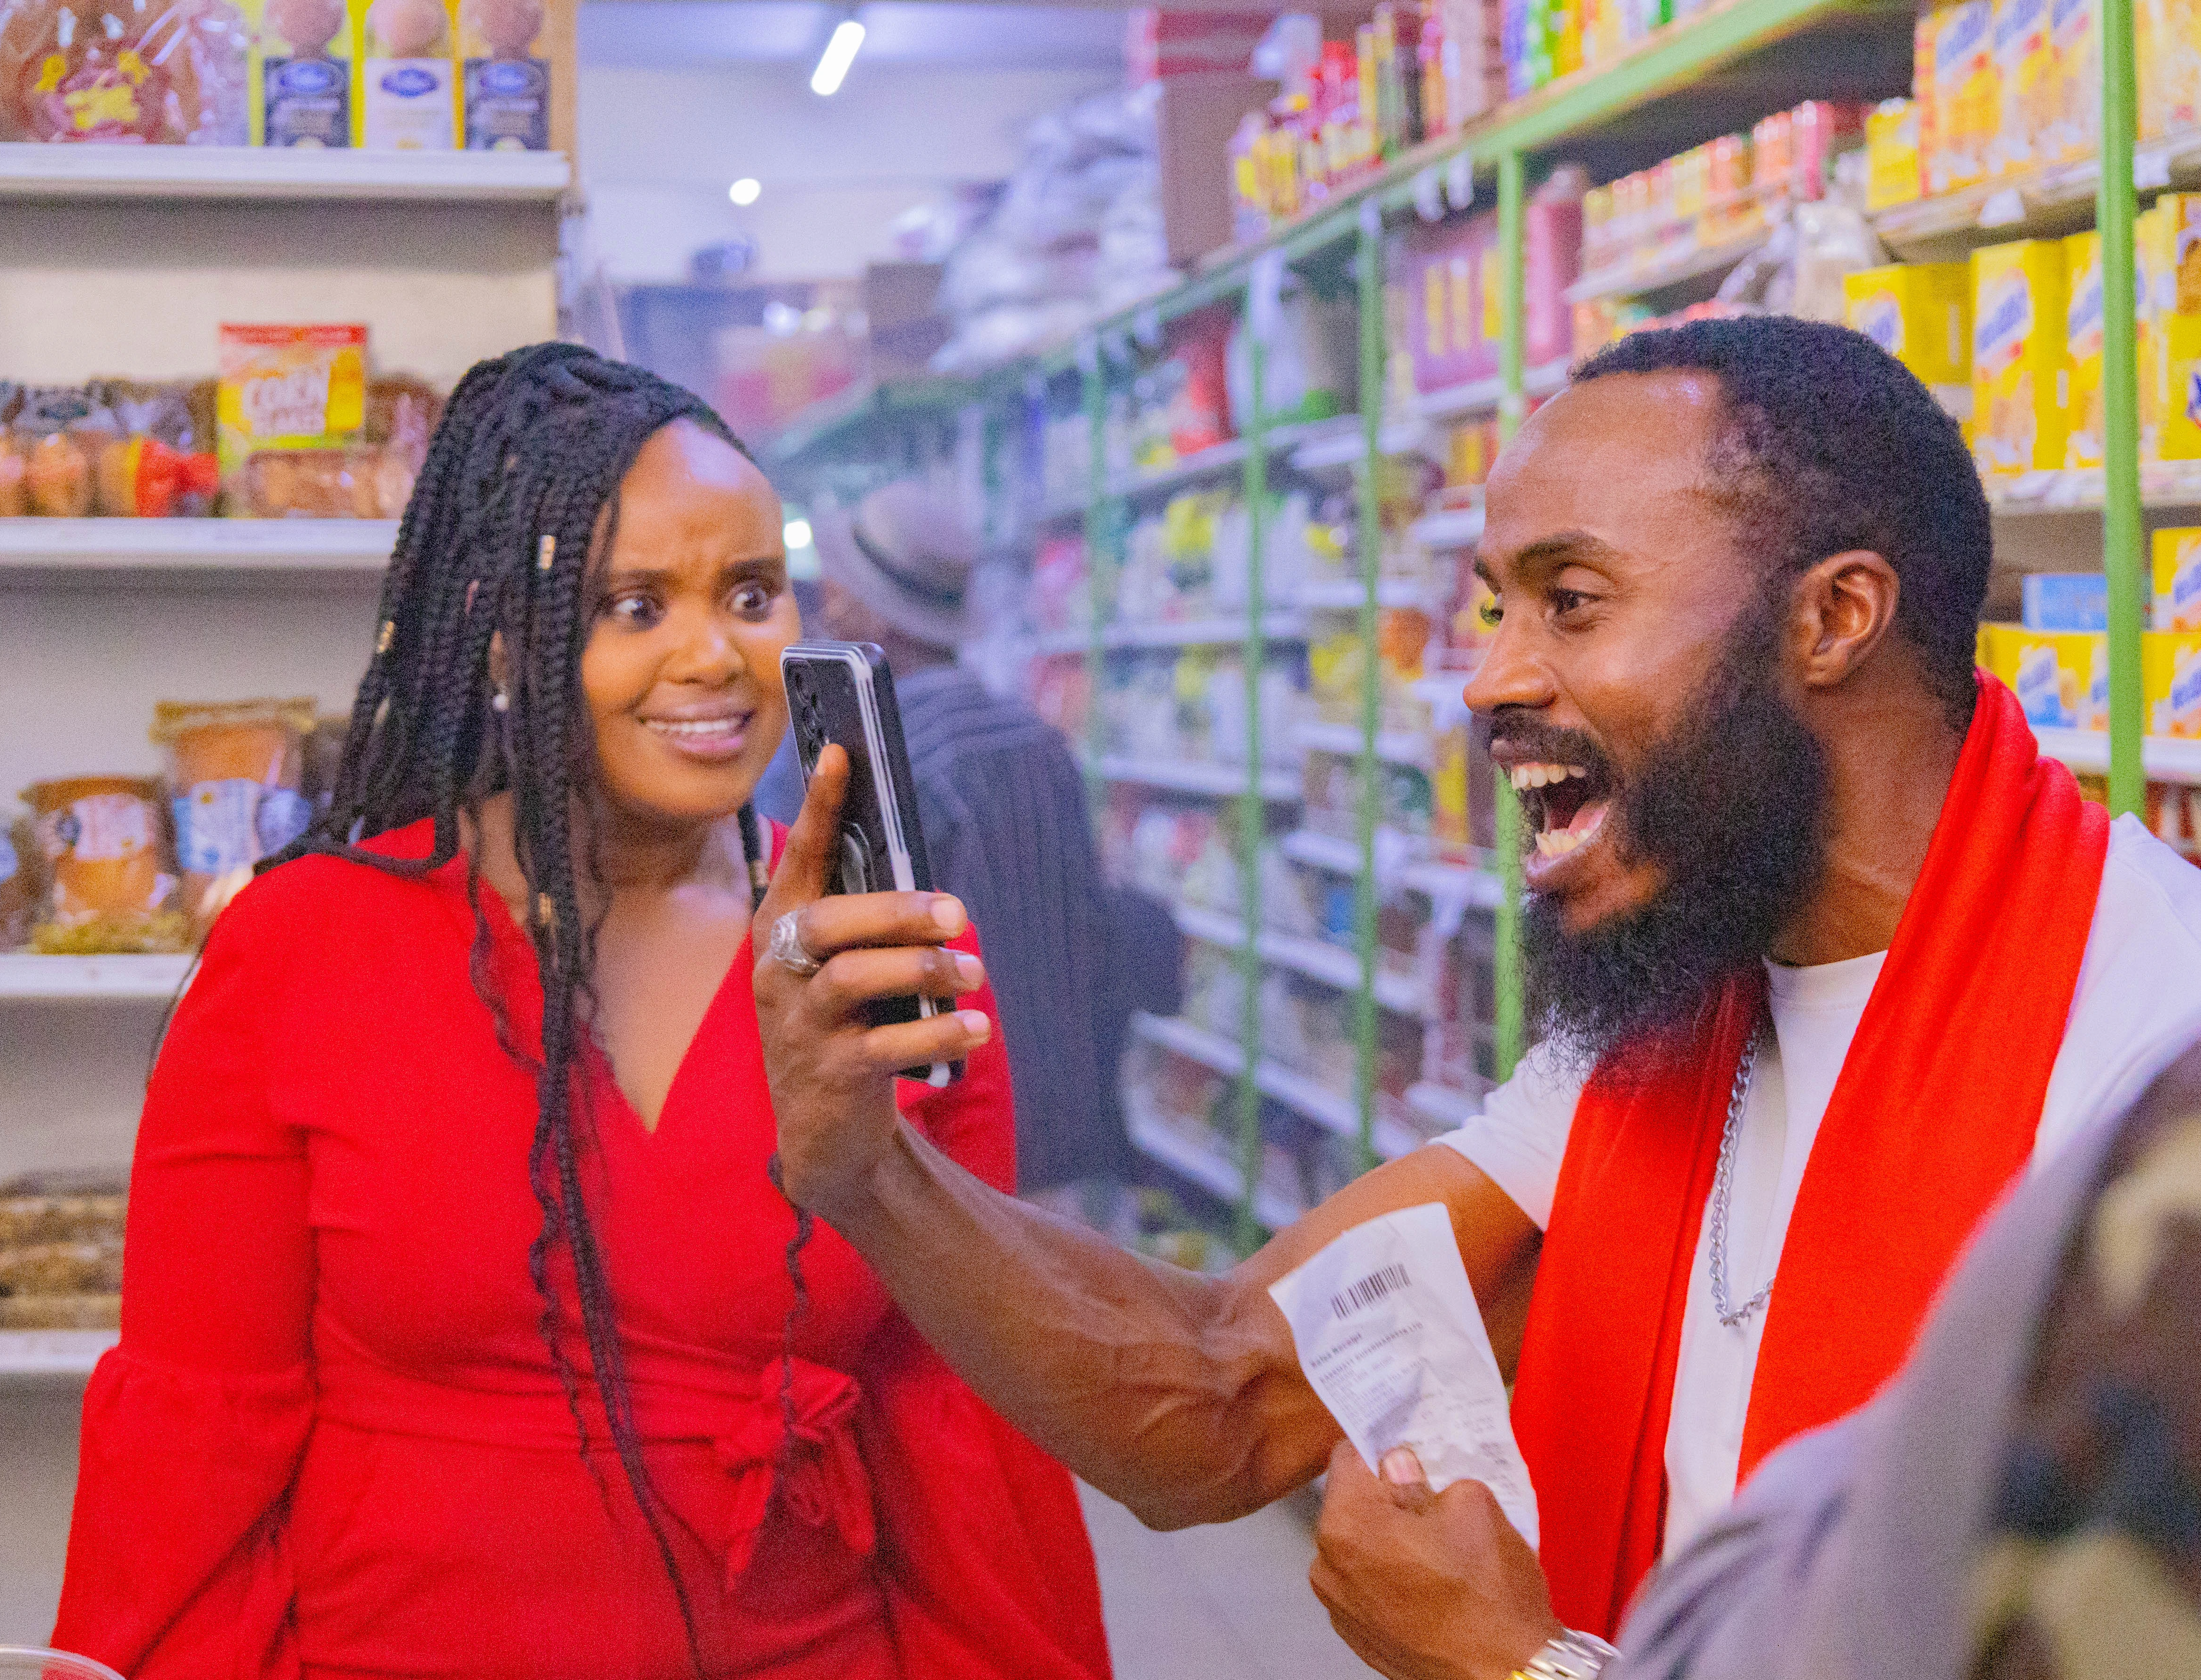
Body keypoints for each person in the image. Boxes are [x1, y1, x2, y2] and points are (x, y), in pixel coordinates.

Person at [746, 317, 2201, 1677]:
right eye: (1494, 607)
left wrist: (1529, 1665)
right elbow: (1220, 1396)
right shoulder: (1667, 1026)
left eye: (1569, 603)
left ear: (1832, 620)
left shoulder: (2151, 1050)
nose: (1489, 679)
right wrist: (871, 1172)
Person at [50, 346, 1112, 1680]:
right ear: (507, 635)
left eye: (748, 592)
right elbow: (199, 1437)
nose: (714, 655)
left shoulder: (874, 962)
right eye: (632, 605)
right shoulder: (304, 950)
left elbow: (955, 1430)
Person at [1310, 1035, 2201, 1679]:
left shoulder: (2140, 1014)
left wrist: (1514, 1660)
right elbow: (1231, 1364)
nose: (1495, 762)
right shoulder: (1642, 1029)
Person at [757, 479, 1146, 1200]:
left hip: (956, 1145)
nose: (829, 601)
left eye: (843, 587)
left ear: (872, 609)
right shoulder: (1040, 743)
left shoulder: (857, 767)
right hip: (1076, 1126)